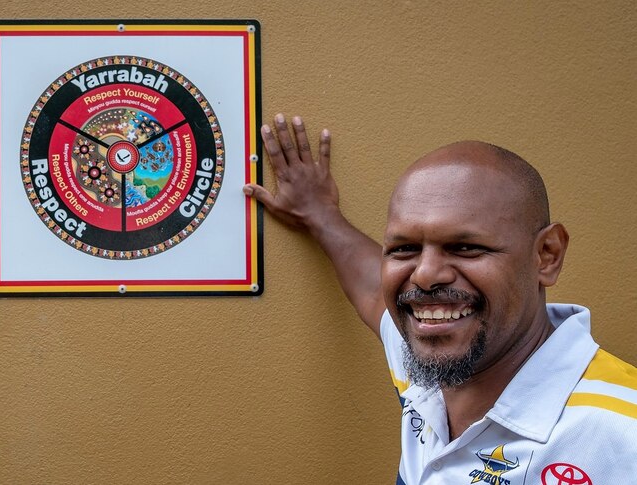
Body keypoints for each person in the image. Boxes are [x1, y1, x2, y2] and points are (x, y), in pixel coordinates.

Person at [243, 114, 637, 484]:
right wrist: (321, 216)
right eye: (404, 249)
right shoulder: (426, 360)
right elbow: (369, 287)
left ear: (546, 255)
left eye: (465, 247)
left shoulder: (621, 431)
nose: (426, 275)